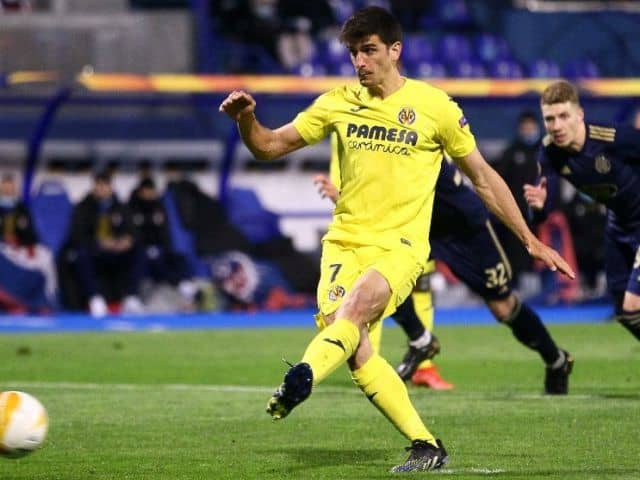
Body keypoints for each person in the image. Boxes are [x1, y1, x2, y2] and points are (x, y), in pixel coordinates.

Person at [219, 6, 573, 473]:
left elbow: (483, 178)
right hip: (344, 244)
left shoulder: (435, 107)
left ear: (394, 51)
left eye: (369, 51)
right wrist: (246, 121)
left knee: (354, 314)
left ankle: (301, 375)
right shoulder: (337, 102)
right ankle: (426, 444)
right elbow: (268, 146)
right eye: (353, 53)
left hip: (400, 247)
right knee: (355, 346)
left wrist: (527, 238)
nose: (360, 62)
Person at [315, 155, 575, 395]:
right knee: (383, 276)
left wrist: (528, 238)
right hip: (420, 226)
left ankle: (556, 360)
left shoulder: (420, 130)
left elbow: (478, 176)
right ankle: (421, 339)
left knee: (502, 306)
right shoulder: (384, 138)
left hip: (464, 228)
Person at [524, 79, 640, 342]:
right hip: (619, 224)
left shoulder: (612, 138)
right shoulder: (549, 152)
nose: (557, 126)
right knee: (624, 311)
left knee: (635, 305)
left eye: (564, 116)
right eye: (550, 119)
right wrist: (539, 208)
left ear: (580, 115)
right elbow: (545, 207)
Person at [68, 170, 144, 317]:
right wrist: (99, 243)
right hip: (95, 251)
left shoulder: (121, 207)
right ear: (94, 187)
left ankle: (131, 298)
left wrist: (126, 241)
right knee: (81, 255)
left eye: (105, 185)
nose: (102, 189)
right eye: (99, 185)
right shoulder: (84, 207)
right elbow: (77, 236)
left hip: (117, 252)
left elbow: (134, 233)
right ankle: (95, 298)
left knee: (139, 252)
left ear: (111, 187)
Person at [128, 177, 197, 310]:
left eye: (151, 190)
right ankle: (132, 297)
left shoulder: (159, 207)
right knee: (141, 259)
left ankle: (184, 284)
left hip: (159, 249)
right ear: (140, 192)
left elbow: (164, 233)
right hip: (139, 250)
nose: (148, 194)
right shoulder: (132, 207)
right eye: (146, 191)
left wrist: (161, 248)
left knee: (175, 257)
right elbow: (133, 233)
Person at [492, 111, 543, 283]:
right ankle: (515, 284)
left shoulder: (545, 151)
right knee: (516, 251)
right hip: (516, 213)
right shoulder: (512, 152)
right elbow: (498, 178)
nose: (528, 130)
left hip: (541, 213)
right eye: (525, 127)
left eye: (531, 126)